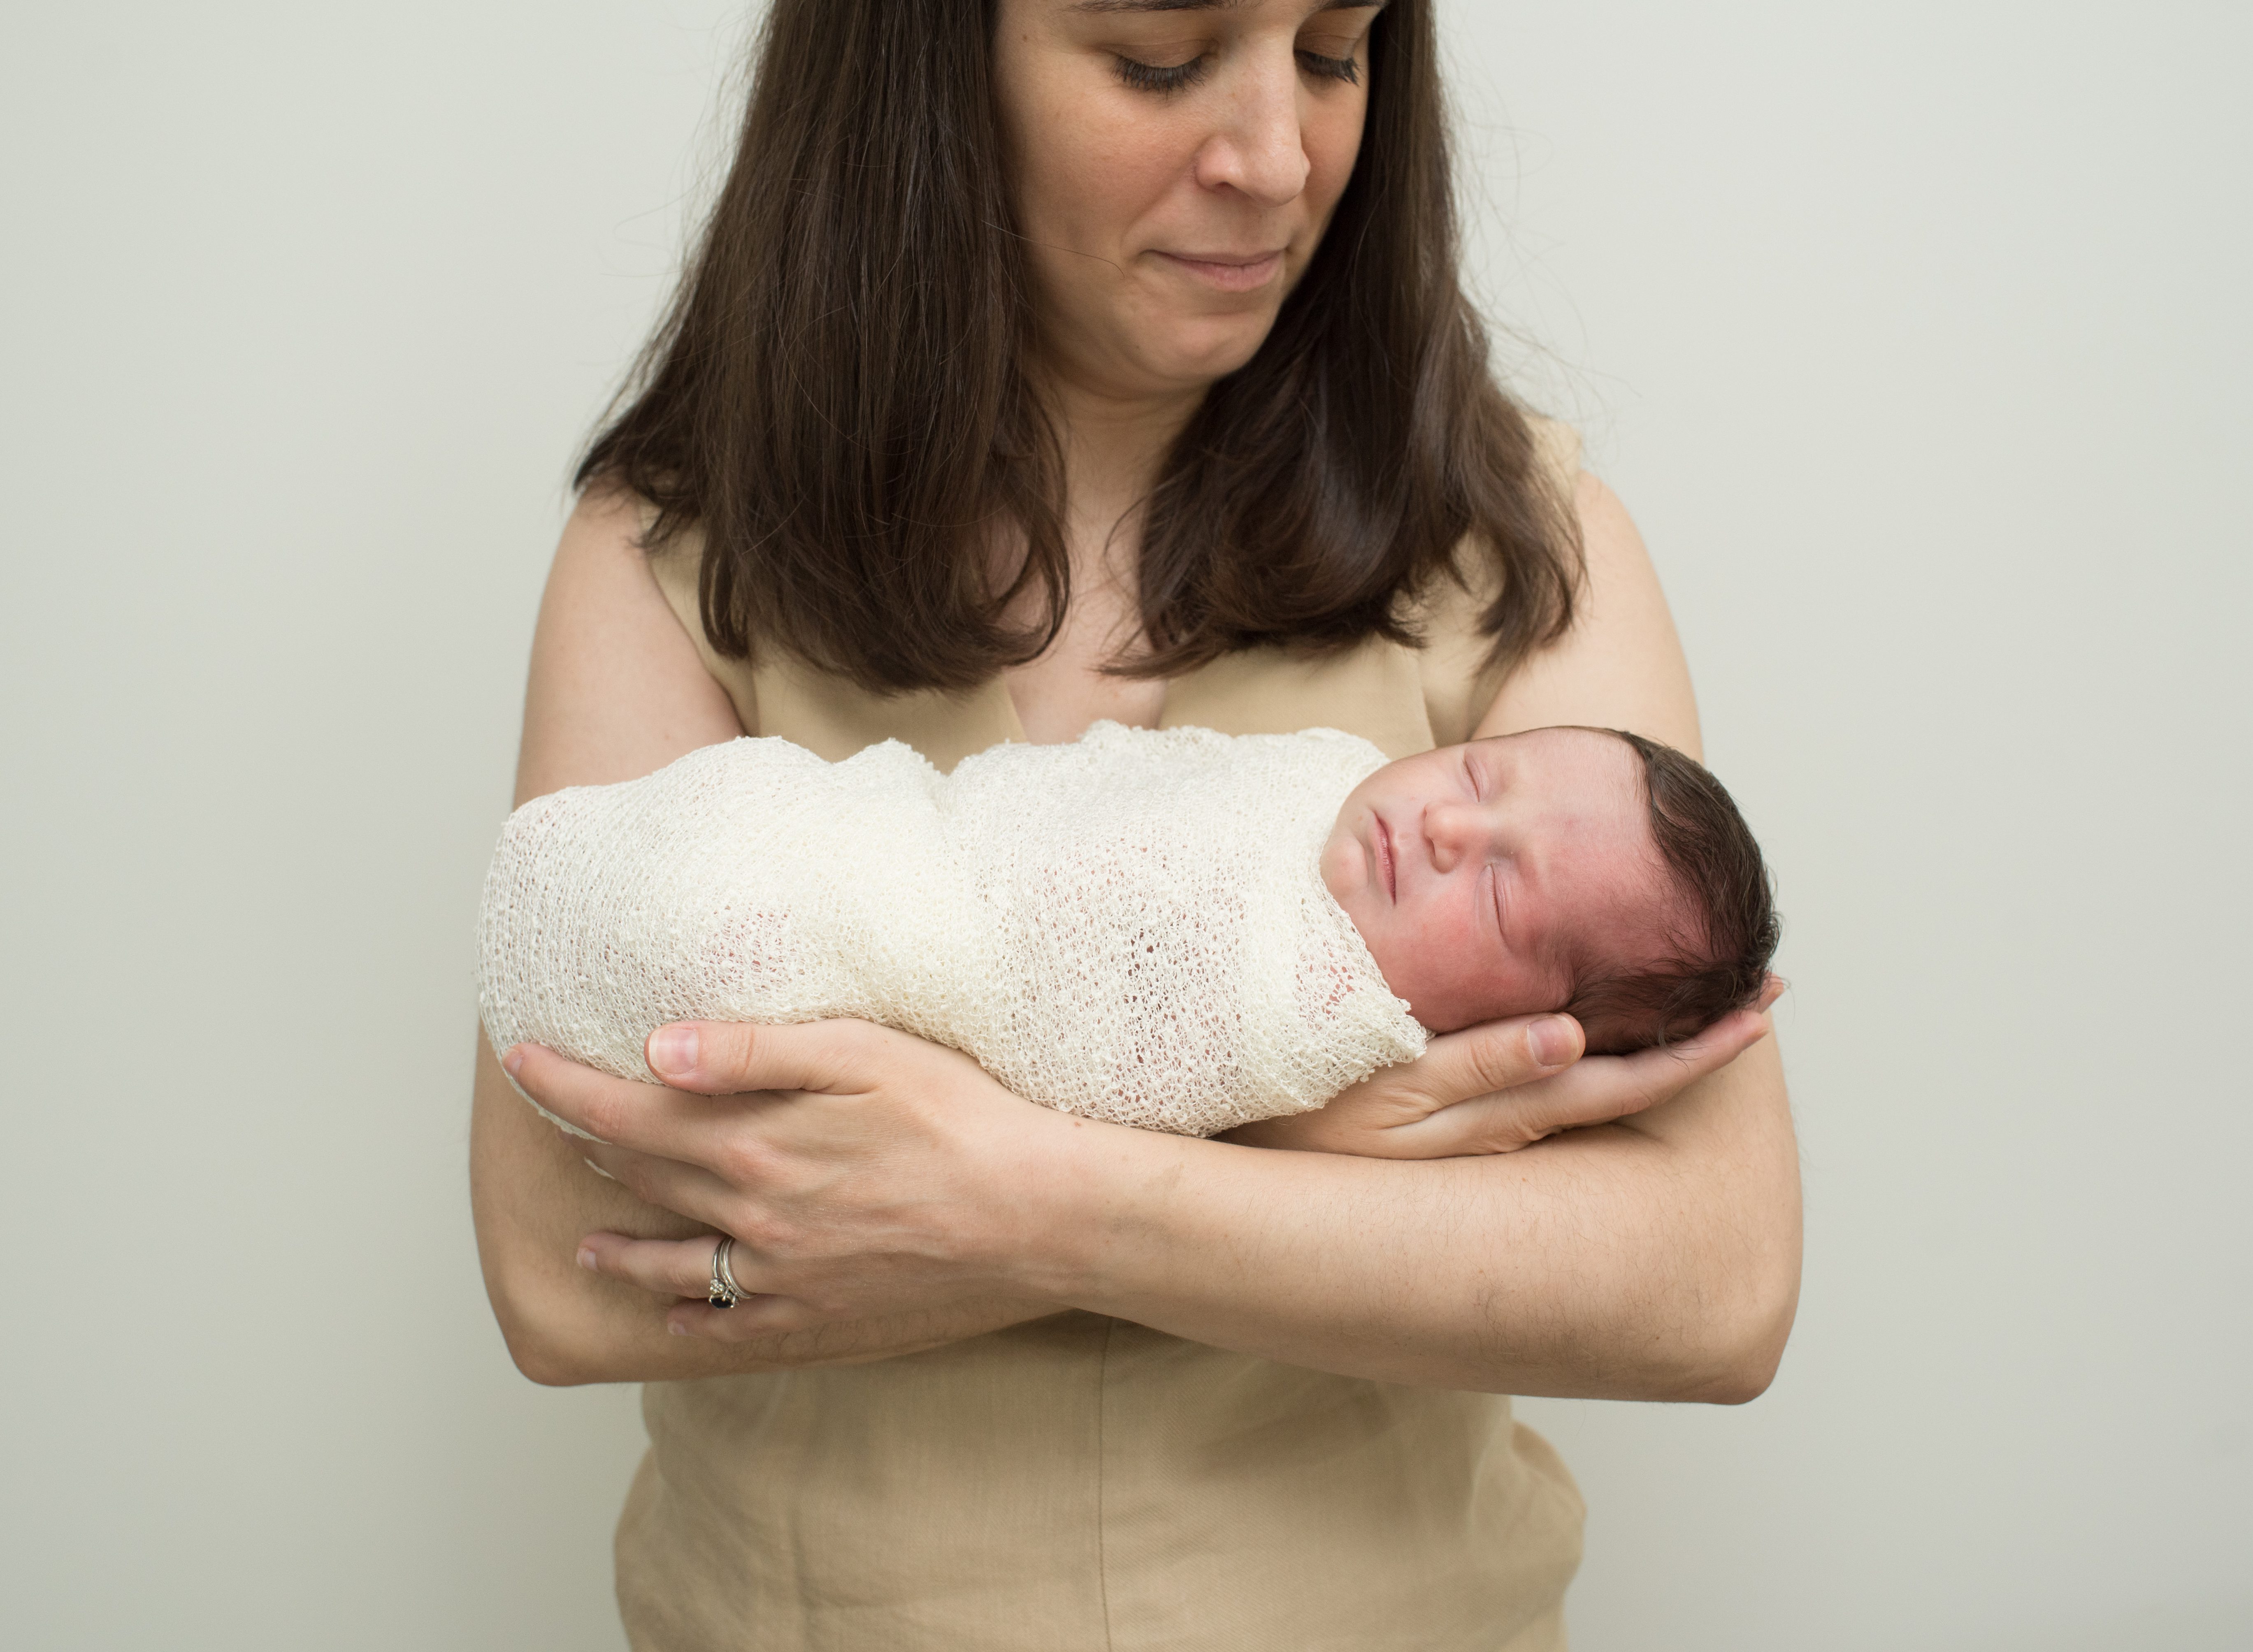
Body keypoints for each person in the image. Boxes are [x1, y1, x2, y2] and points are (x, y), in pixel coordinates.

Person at [468, 1, 1802, 1646]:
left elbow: (1711, 1283)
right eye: (1161, 61)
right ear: (925, 73)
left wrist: (1016, 1199)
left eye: (1331, 50)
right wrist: (1322, 1162)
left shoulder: (1520, 539)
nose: (1277, 158)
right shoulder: (671, 549)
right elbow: (555, 1270)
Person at [478, 722, 1778, 1137]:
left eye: (1498, 896)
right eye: (1484, 777)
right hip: (917, 832)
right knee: (754, 823)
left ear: (1522, 1029)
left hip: (938, 958)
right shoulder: (1332, 770)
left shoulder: (1314, 1012)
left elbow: (1092, 1053)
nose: (1447, 828)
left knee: (739, 934)